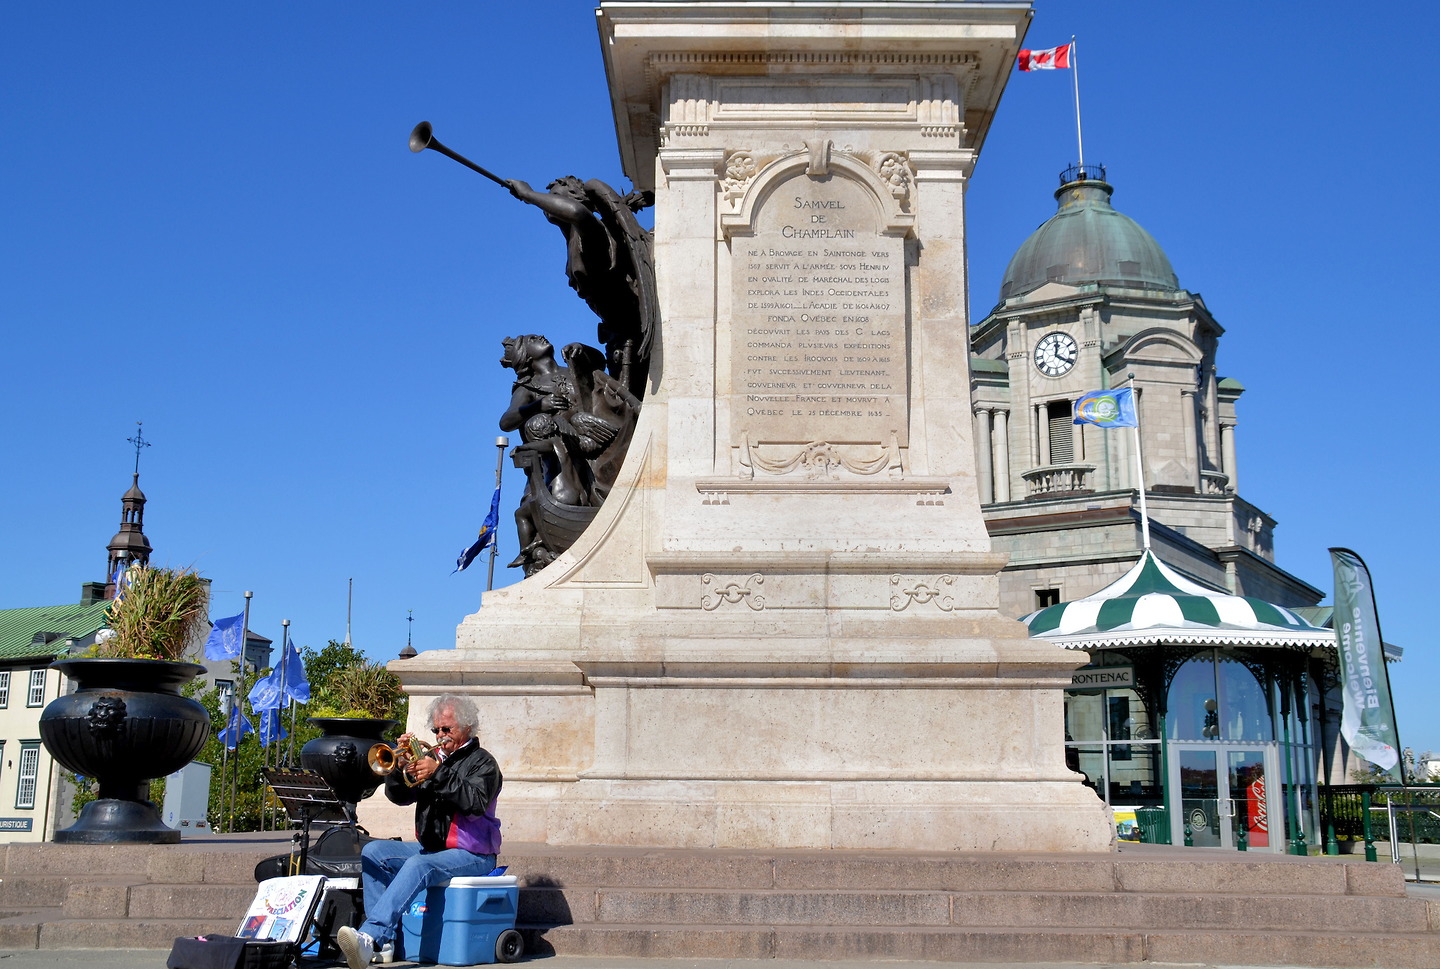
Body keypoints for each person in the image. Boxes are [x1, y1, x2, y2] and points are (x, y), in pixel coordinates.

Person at [336, 695, 502, 969]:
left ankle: (370, 937)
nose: (440, 735)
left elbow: (474, 802)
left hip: (474, 853)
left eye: (446, 729)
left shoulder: (484, 763)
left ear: (467, 728)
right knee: (374, 852)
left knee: (418, 865)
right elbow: (399, 798)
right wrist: (398, 770)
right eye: (436, 729)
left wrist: (438, 774)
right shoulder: (431, 758)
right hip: (434, 850)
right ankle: (384, 945)